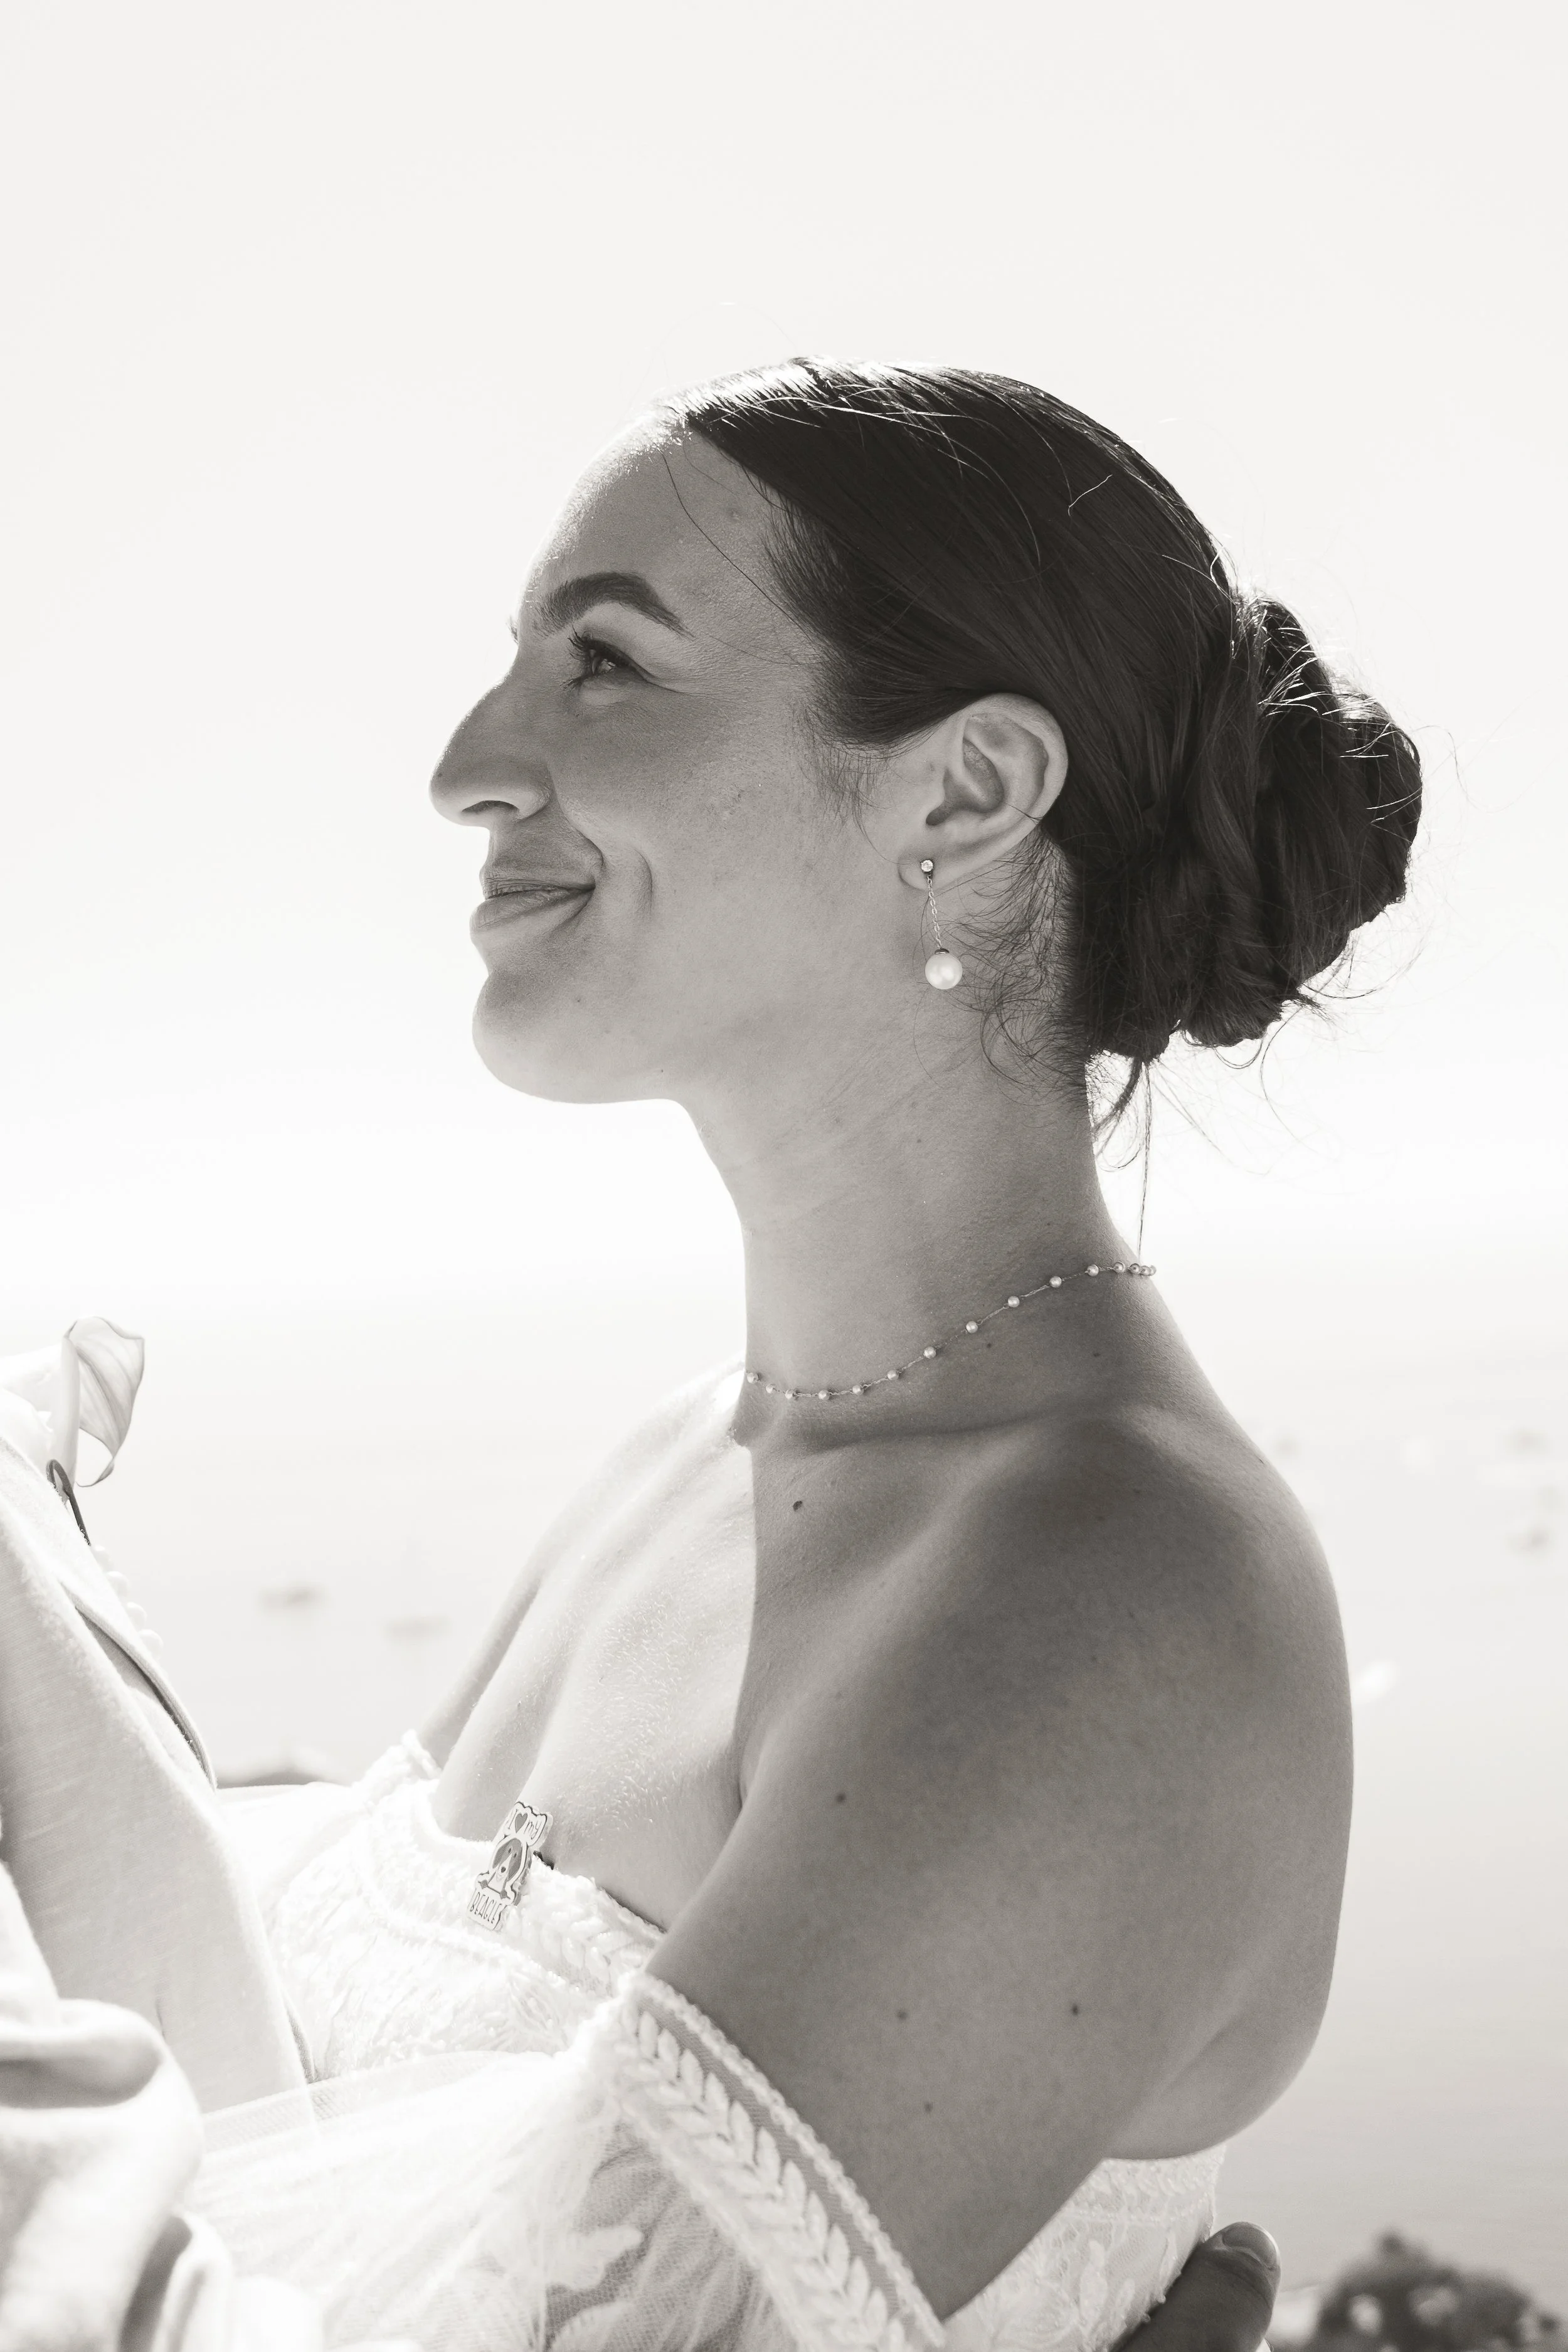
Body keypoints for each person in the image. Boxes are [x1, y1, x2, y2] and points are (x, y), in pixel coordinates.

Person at [0, 359, 1421, 2350]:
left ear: (963, 793)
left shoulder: (1116, 1599)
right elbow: (282, 2131)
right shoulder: (686, 1462)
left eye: (604, 664)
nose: (469, 764)